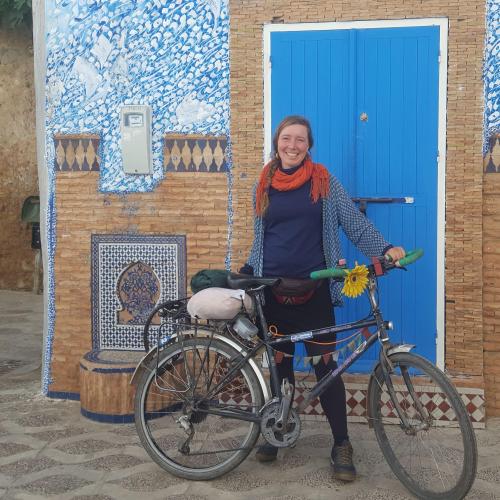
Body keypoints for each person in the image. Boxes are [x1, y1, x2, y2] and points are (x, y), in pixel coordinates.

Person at [240, 115, 405, 482]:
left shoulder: (324, 181)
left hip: (314, 293)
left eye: (300, 139)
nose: (293, 145)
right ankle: (277, 428)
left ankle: (341, 444)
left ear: (309, 145)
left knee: (325, 368)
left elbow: (354, 224)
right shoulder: (264, 182)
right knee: (280, 365)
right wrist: (247, 271)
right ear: (277, 142)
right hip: (272, 291)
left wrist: (386, 248)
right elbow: (260, 237)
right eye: (287, 138)